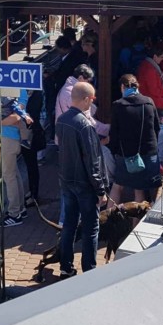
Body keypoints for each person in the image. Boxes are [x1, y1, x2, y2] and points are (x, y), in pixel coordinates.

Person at [55, 82, 107, 276]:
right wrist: (100, 190)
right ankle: (89, 269)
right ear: (86, 99)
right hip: (85, 185)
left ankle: (65, 267)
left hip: (67, 181)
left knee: (69, 225)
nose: (92, 103)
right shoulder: (85, 125)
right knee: (91, 228)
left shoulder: (62, 120)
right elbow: (92, 161)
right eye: (92, 99)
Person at [108, 75, 162, 205]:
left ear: (122, 87)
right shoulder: (149, 102)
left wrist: (114, 152)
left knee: (117, 186)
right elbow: (156, 128)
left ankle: (108, 221)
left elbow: (113, 133)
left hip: (125, 154)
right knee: (140, 190)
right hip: (148, 152)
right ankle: (136, 224)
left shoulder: (118, 105)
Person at [0, 94, 33, 227]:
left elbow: (17, 116)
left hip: (9, 137)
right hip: (9, 137)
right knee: (14, 173)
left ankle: (14, 213)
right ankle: (21, 208)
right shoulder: (16, 88)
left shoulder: (21, 90)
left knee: (8, 175)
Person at [135, 46, 163, 114]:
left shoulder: (147, 65)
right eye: (161, 57)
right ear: (155, 56)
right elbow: (154, 90)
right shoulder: (149, 69)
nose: (162, 59)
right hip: (153, 102)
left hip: (150, 101)